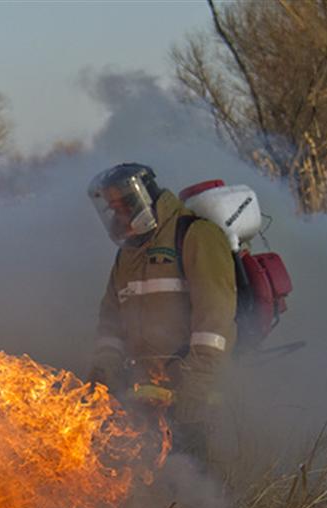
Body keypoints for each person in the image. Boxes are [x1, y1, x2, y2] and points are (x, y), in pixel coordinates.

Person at [87, 163, 237, 459]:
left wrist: (198, 382)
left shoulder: (196, 235)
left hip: (194, 391)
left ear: (143, 200)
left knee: (196, 478)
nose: (118, 216)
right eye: (112, 209)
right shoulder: (126, 256)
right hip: (145, 394)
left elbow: (216, 318)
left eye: (123, 206)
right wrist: (104, 371)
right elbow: (111, 323)